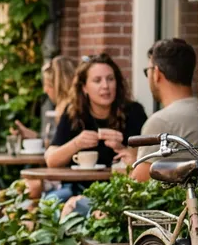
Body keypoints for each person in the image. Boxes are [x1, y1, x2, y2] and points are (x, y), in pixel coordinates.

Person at [44, 53, 147, 203]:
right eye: (97, 81)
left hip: (121, 189)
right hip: (78, 187)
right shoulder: (74, 113)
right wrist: (77, 143)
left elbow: (149, 158)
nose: (105, 86)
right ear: (84, 87)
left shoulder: (134, 112)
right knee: (50, 201)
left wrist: (123, 148)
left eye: (110, 79)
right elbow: (51, 160)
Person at [118, 39, 198, 180]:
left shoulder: (160, 122)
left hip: (174, 201)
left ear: (157, 73)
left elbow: (138, 184)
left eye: (148, 71)